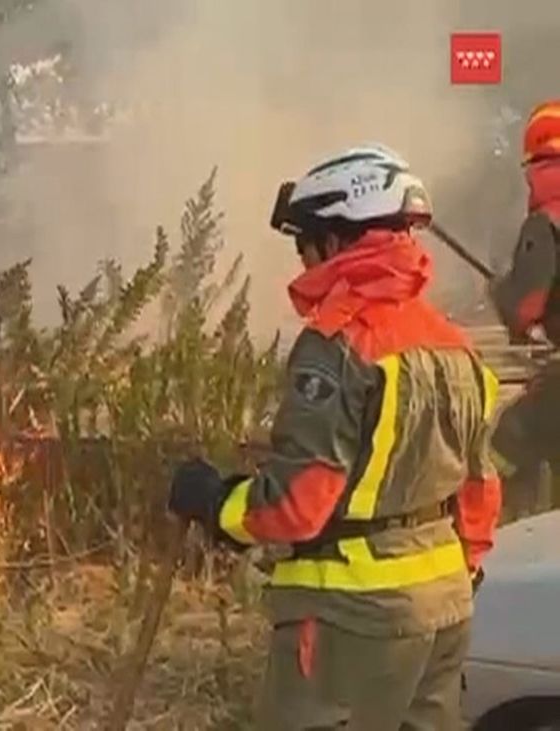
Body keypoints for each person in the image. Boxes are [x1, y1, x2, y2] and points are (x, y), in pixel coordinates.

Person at [167, 145, 502, 730]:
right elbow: (480, 489)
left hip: (352, 617)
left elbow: (300, 504)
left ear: (337, 240)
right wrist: (456, 577)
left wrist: (217, 503)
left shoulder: (338, 345)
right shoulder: (456, 343)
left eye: (305, 244)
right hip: (447, 606)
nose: (301, 262)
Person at [489, 99, 560, 517]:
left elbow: (527, 305)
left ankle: (517, 540)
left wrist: (502, 294)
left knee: (509, 441)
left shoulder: (545, 223)